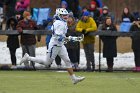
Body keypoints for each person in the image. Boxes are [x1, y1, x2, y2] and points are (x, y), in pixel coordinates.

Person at [20, 8, 85, 84]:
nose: (66, 17)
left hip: (60, 45)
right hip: (55, 45)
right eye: (63, 15)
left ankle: (73, 78)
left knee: (67, 61)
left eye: (66, 15)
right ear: (59, 15)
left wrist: (72, 38)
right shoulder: (59, 23)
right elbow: (59, 37)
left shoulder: (62, 23)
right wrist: (72, 38)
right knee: (47, 63)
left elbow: (62, 38)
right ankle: (28, 57)